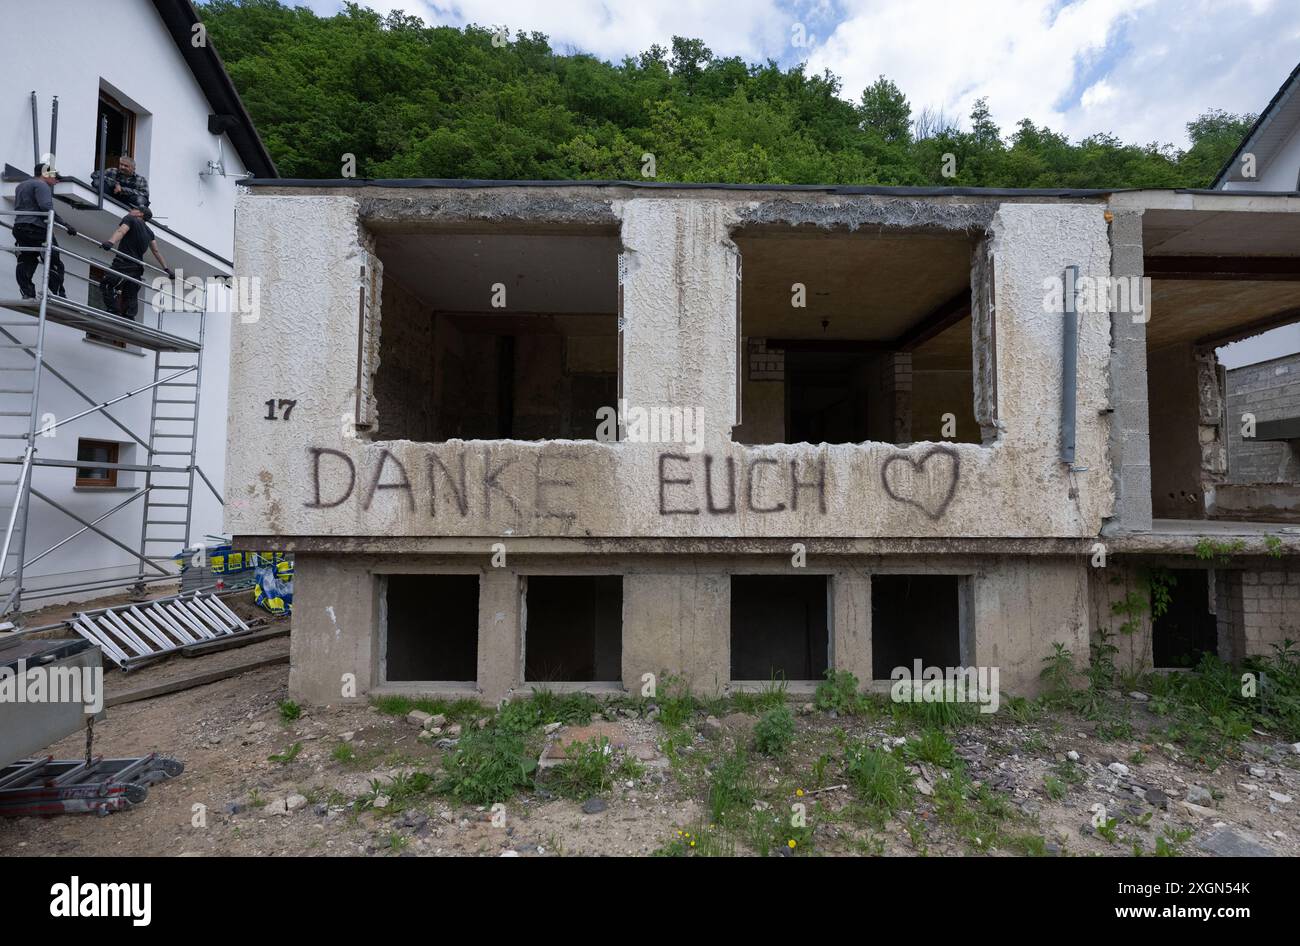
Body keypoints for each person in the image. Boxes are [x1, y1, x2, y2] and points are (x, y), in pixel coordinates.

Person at [12, 162, 76, 299]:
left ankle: (27, 293)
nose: (57, 180)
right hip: (36, 228)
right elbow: (46, 207)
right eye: (55, 176)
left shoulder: (21, 186)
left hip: (19, 227)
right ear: (45, 174)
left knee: (27, 259)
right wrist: (65, 224)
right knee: (53, 259)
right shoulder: (42, 185)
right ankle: (57, 294)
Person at [98, 207, 172, 321]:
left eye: (134, 209)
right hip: (137, 267)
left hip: (123, 262)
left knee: (107, 283)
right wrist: (166, 269)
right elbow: (156, 251)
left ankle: (113, 310)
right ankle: (129, 317)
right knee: (131, 293)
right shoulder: (150, 232)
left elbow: (121, 231)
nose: (130, 210)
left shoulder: (130, 219)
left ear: (140, 214)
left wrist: (110, 242)